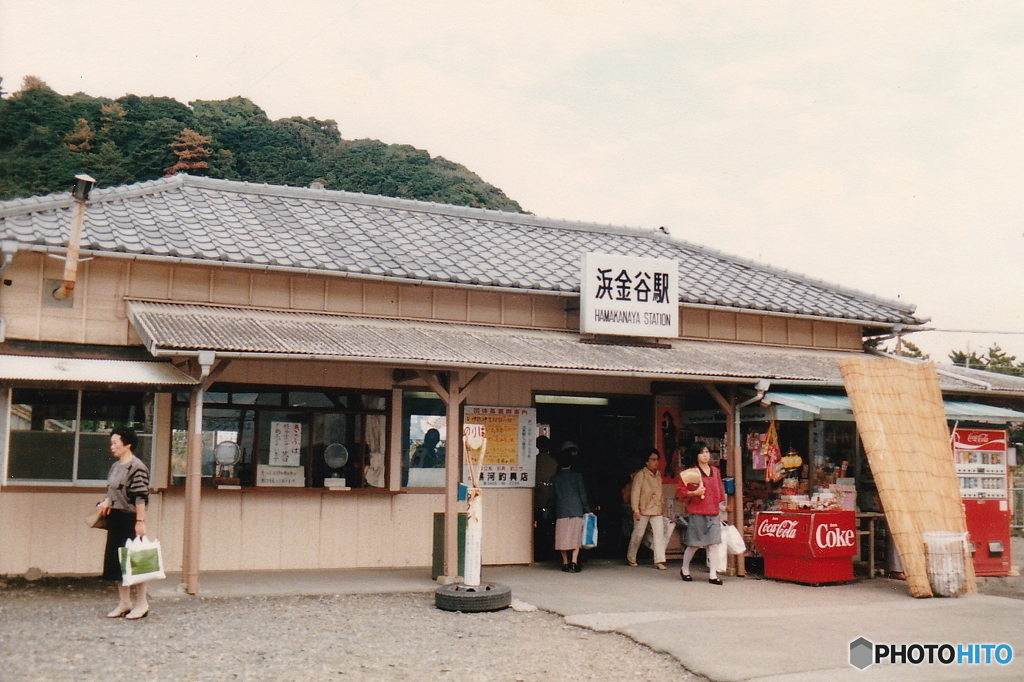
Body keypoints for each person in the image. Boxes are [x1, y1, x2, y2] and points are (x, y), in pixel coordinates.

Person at [96, 426, 151, 619]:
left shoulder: (137, 467)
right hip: (115, 519)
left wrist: (140, 521)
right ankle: (124, 602)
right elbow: (111, 493)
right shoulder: (115, 466)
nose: (112, 447)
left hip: (130, 518)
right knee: (117, 564)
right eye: (111, 443)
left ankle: (142, 603)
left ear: (127, 444)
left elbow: (140, 497)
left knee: (135, 562)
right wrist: (105, 502)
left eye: (115, 443)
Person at [677, 441, 727, 585]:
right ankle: (685, 569)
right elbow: (681, 493)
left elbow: (719, 491)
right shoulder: (691, 472)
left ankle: (713, 574)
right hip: (697, 511)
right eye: (702, 452)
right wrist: (694, 493)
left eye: (707, 452)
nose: (705, 455)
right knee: (694, 544)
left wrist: (720, 509)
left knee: (714, 544)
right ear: (696, 455)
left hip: (712, 512)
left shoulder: (715, 471)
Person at [549, 442, 590, 573]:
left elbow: (552, 496)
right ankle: (574, 562)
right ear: (571, 463)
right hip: (576, 510)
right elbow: (582, 494)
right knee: (575, 537)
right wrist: (587, 509)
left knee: (562, 538)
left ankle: (565, 563)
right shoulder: (577, 477)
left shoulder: (555, 478)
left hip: (561, 511)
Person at [626, 449, 667, 569]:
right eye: (653, 460)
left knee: (659, 535)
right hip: (643, 509)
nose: (656, 462)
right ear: (646, 462)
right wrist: (635, 510)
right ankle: (631, 557)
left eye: (657, 459)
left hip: (656, 509)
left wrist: (662, 504)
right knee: (638, 534)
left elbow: (660, 492)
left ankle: (659, 560)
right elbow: (635, 493)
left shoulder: (658, 475)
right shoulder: (640, 475)